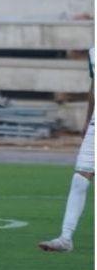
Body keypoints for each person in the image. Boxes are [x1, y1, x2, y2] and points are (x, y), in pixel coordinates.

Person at [39, 46, 95, 253]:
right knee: (80, 178)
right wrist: (88, 119)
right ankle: (66, 237)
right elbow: (94, 86)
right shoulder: (94, 52)